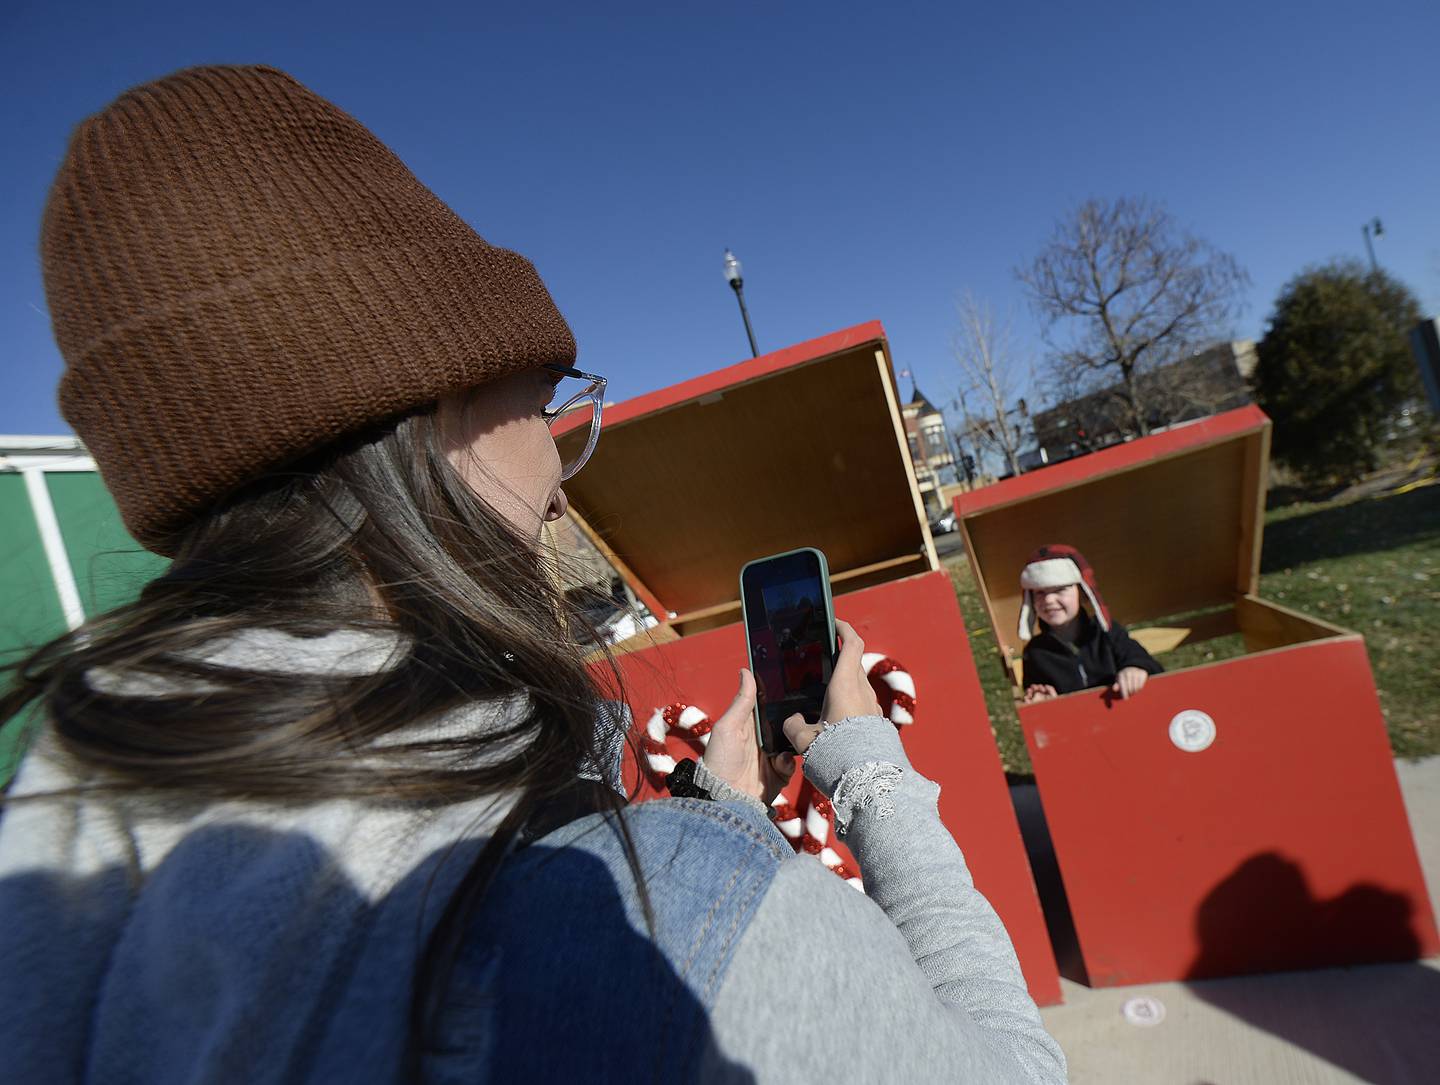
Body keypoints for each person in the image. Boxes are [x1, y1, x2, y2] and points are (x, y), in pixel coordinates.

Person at [0, 66, 1066, 1083]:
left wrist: (715, 816)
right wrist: (862, 769)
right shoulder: (623, 924)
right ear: (430, 407)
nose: (560, 477)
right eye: (545, 400)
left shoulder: (56, 854)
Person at [1018, 544, 1163, 704]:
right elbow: (1036, 698)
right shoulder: (1036, 652)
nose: (1049, 600)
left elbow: (1144, 661)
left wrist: (1135, 668)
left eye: (1059, 590)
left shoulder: (1107, 632)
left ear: (1083, 593)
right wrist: (1043, 700)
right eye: (1040, 593)